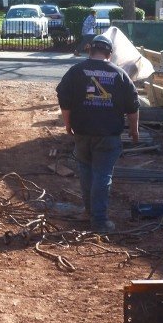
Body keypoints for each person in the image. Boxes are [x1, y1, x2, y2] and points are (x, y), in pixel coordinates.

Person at [56, 34, 140, 232]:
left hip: (82, 132)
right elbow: (133, 108)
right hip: (108, 135)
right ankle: (99, 221)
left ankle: (88, 212)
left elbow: (64, 101)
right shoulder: (119, 74)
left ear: (90, 50)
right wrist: (134, 132)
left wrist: (68, 126)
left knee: (86, 173)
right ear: (109, 54)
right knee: (102, 175)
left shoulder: (75, 72)